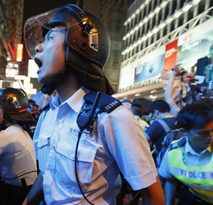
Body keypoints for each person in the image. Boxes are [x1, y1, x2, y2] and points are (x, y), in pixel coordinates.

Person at [22, 4, 164, 205]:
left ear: (79, 47)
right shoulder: (48, 113)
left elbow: (153, 196)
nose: (38, 47)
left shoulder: (113, 117)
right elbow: (46, 174)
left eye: (50, 38)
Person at [158, 103, 213, 205]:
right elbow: (170, 180)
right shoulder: (174, 152)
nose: (211, 137)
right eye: (203, 133)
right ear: (184, 131)